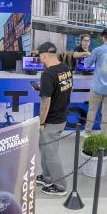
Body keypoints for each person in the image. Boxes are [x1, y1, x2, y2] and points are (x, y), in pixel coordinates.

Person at [37, 42, 72, 196]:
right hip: (62, 115)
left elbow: (45, 102)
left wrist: (41, 122)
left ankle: (60, 186)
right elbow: (67, 89)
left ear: (44, 56)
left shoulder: (47, 74)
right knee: (45, 148)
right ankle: (47, 177)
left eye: (40, 57)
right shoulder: (66, 68)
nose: (40, 60)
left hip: (51, 120)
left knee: (51, 153)